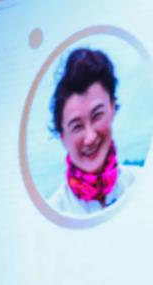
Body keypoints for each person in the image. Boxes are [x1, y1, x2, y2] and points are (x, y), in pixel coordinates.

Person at [47, 48, 137, 216]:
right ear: (62, 137)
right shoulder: (54, 214)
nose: (90, 137)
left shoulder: (141, 182)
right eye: (77, 126)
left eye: (97, 116)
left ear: (112, 107)